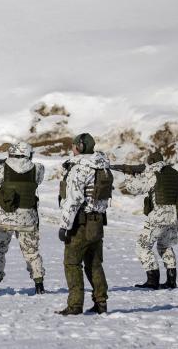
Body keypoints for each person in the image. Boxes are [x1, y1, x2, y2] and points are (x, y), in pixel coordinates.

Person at [0, 142, 47, 295]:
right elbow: (38, 180)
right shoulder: (38, 169)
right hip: (27, 220)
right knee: (32, 252)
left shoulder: (2, 168)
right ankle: (39, 284)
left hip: (4, 220)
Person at [56, 133, 112, 315]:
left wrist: (65, 225)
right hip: (97, 223)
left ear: (79, 147)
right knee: (94, 264)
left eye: (73, 145)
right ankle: (101, 303)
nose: (72, 149)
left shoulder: (80, 168)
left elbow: (74, 199)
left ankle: (74, 305)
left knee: (72, 263)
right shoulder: (103, 167)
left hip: (80, 224)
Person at [124, 152, 178, 289]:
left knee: (142, 246)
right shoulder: (174, 173)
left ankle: (152, 280)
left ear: (151, 161)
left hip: (159, 216)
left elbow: (134, 188)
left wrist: (128, 175)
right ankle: (171, 280)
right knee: (165, 246)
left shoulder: (153, 172)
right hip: (175, 216)